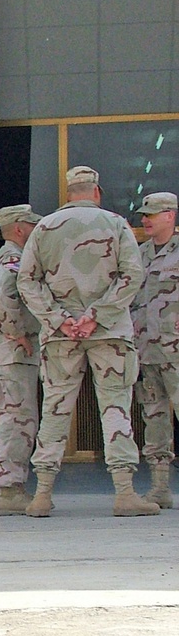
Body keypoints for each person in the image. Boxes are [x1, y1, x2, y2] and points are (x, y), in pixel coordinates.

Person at [18, 165, 156, 517]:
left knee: (55, 409)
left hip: (60, 336)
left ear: (69, 193)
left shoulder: (45, 228)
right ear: (96, 191)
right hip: (108, 333)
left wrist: (60, 319)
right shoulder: (115, 224)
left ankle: (42, 495)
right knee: (115, 407)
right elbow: (132, 274)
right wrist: (97, 315)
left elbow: (27, 281)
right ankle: (125, 493)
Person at [0, 204, 42, 515]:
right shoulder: (12, 259)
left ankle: (14, 485)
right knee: (17, 420)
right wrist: (16, 331)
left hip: (10, 356)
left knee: (19, 419)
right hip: (12, 354)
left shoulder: (12, 258)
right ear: (19, 229)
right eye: (31, 224)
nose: (36, 229)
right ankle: (9, 490)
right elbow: (2, 298)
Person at [130, 191, 179, 508]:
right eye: (143, 214)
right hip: (147, 353)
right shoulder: (138, 255)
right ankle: (160, 487)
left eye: (152, 213)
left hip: (175, 352)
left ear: (170, 216)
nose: (145, 219)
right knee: (155, 418)